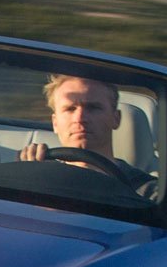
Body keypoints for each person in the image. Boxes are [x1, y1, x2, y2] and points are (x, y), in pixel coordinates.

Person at [18, 74, 156, 194]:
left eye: (93, 108)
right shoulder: (34, 176)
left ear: (116, 118)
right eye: (70, 109)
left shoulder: (146, 191)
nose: (80, 118)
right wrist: (32, 177)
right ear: (55, 123)